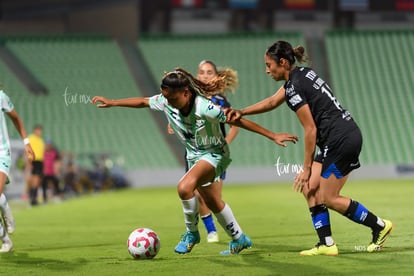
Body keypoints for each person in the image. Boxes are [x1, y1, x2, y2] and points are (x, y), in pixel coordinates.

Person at [92, 68, 298, 255]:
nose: (168, 102)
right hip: (195, 157)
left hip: (215, 155)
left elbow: (237, 119)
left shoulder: (205, 108)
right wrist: (113, 102)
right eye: (165, 97)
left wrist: (272, 135)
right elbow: (144, 101)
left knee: (184, 187)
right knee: (212, 202)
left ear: (186, 93)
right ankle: (239, 238)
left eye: (172, 98)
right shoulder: (166, 100)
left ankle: (192, 233)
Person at [226, 40, 393, 256]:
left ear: (283, 62)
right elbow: (271, 102)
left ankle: (379, 226)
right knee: (309, 188)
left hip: (340, 140)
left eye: (269, 65)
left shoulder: (295, 87)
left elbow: (310, 130)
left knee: (329, 197)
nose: (267, 70)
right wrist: (243, 111)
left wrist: (306, 168)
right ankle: (327, 243)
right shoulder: (301, 75)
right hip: (338, 137)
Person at [167, 60, 240, 243]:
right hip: (193, 153)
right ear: (197, 76)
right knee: (197, 193)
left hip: (213, 154)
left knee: (213, 197)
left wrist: (226, 143)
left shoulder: (220, 101)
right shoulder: (189, 96)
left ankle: (234, 235)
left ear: (216, 76)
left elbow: (234, 126)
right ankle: (211, 231)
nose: (205, 75)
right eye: (202, 72)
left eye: (209, 72)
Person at [0, 89, 35, 252]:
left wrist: (26, 142)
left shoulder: (1, 96)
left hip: (1, 153)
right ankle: (6, 240)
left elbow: (16, 118)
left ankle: (5, 209)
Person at [28, 124, 45, 206]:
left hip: (40, 162)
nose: (39, 132)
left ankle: (34, 197)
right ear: (34, 130)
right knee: (35, 179)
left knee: (38, 180)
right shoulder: (31, 138)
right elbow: (28, 150)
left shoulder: (41, 140)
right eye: (38, 130)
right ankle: (32, 198)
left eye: (40, 130)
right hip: (34, 161)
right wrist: (29, 162)